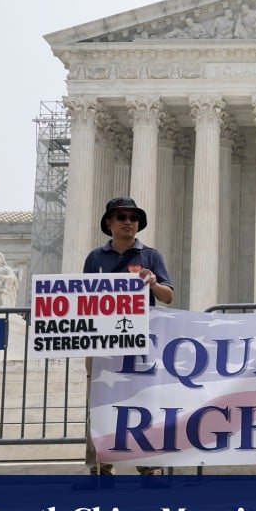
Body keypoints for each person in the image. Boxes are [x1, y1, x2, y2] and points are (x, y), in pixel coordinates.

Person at [81, 197, 174, 487]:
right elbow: (82, 298)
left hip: (140, 341)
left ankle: (150, 466)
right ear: (109, 223)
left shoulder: (150, 256)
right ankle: (100, 467)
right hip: (102, 343)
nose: (128, 222)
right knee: (98, 405)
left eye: (133, 217)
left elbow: (168, 296)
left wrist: (153, 283)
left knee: (145, 403)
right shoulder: (95, 259)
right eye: (121, 216)